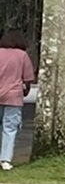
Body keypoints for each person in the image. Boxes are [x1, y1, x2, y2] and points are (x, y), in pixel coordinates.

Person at [0, 30, 35, 171]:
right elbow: (28, 79)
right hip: (13, 96)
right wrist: (25, 91)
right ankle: (5, 160)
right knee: (9, 128)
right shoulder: (22, 56)